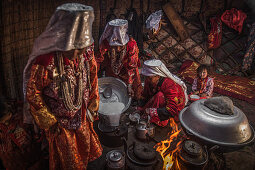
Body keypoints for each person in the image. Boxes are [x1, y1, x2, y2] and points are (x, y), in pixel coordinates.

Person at [23, 3, 102, 169]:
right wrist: (51, 122)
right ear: (62, 40)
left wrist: (93, 103)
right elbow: (33, 93)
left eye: (81, 49)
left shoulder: (86, 52)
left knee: (84, 149)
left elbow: (92, 76)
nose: (77, 54)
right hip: (60, 124)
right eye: (73, 48)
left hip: (82, 114)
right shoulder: (46, 62)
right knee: (67, 159)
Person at [96, 19, 142, 100]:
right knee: (113, 88)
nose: (117, 49)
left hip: (127, 68)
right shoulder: (105, 43)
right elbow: (98, 60)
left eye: (121, 46)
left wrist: (129, 85)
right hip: (112, 67)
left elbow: (131, 67)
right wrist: (93, 77)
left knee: (132, 93)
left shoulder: (131, 45)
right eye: (114, 46)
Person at [138, 59, 188, 127]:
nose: (148, 80)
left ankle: (161, 121)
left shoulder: (169, 84)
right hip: (159, 102)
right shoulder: (149, 81)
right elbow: (145, 95)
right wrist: (141, 107)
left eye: (150, 78)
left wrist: (152, 111)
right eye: (147, 77)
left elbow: (172, 108)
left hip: (172, 107)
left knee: (159, 95)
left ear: (158, 76)